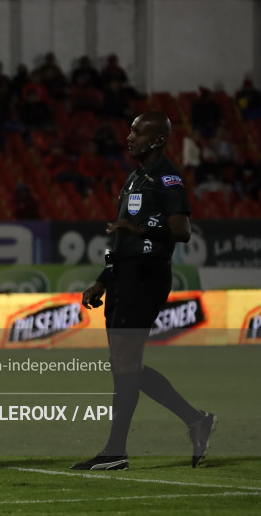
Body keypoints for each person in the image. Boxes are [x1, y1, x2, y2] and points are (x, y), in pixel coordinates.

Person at [74, 111, 216, 471]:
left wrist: (141, 231)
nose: (130, 136)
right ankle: (195, 420)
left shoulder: (167, 179)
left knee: (124, 364)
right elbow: (123, 238)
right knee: (124, 366)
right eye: (131, 130)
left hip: (147, 277)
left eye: (138, 132)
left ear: (157, 141)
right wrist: (103, 280)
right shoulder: (136, 177)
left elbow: (182, 230)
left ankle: (115, 451)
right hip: (124, 276)